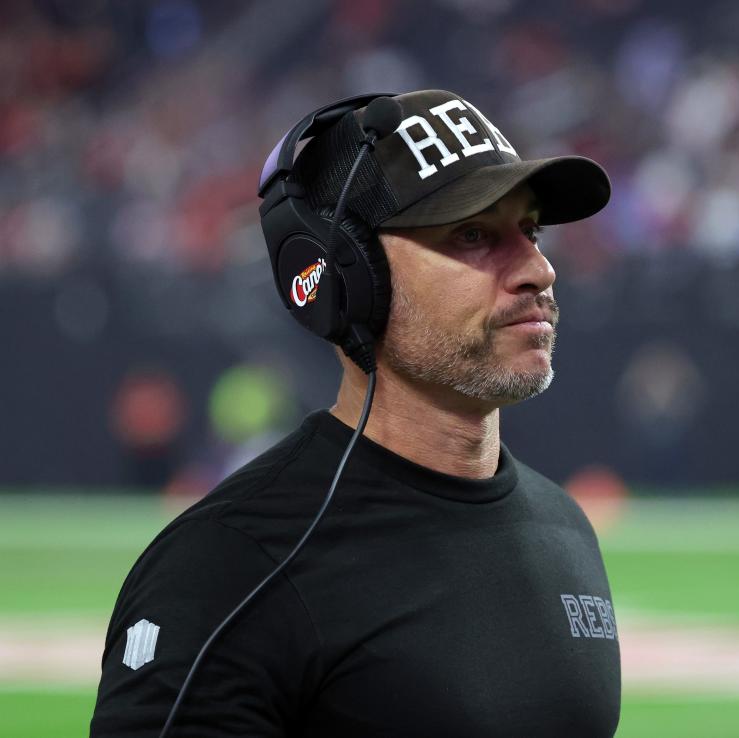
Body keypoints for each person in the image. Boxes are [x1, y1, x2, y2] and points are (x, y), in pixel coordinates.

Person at [91, 89, 621, 737]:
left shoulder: (564, 527)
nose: (538, 269)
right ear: (349, 277)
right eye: (474, 233)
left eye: (531, 231)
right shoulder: (228, 566)